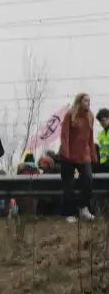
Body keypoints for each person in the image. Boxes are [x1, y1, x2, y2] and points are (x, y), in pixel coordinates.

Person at [59, 93, 97, 223]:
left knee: (87, 178)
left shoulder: (90, 116)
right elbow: (65, 135)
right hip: (69, 155)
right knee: (68, 184)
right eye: (86, 100)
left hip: (83, 155)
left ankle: (84, 208)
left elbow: (90, 138)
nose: (88, 103)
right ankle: (69, 213)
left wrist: (93, 154)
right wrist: (66, 153)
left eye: (89, 100)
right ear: (79, 102)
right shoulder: (70, 115)